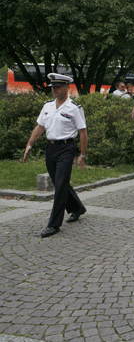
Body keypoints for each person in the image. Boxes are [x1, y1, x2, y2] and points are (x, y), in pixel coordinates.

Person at [23, 73, 88, 238]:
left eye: (58, 86)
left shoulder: (74, 108)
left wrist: (82, 154)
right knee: (61, 182)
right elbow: (39, 127)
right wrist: (29, 144)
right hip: (50, 148)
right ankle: (77, 207)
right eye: (53, 87)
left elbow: (83, 132)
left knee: (60, 185)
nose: (54, 90)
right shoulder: (48, 106)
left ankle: (54, 224)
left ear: (67, 87)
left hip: (66, 148)